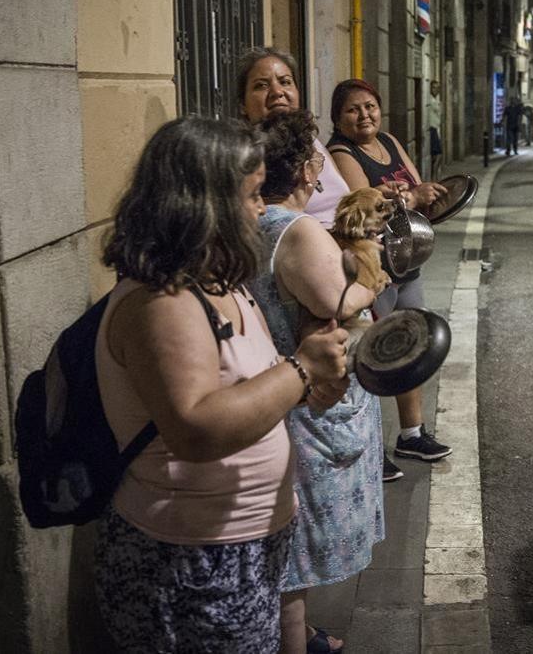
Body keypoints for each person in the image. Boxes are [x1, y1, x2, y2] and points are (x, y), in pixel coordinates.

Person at [93, 117, 350, 653]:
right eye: (253, 195)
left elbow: (245, 385)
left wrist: (305, 383)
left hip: (238, 550)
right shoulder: (161, 302)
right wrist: (300, 371)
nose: (263, 209)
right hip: (191, 563)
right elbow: (195, 427)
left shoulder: (216, 282)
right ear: (202, 202)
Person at [253, 109, 386, 654]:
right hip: (309, 405)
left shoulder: (257, 222)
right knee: (295, 549)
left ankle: (300, 636)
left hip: (282, 393)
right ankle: (294, 644)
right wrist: (375, 278)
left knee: (288, 541)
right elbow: (338, 302)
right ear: (310, 169)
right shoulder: (297, 231)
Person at [327, 78, 454, 475]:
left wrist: (425, 194)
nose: (364, 115)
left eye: (370, 106)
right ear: (337, 118)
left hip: (406, 260)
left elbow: (413, 186)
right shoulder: (340, 152)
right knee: (368, 355)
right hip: (373, 267)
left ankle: (412, 434)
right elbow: (363, 205)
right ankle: (370, 447)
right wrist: (407, 198)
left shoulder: (390, 141)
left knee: (408, 347)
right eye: (353, 109)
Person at [236, 46, 351, 230]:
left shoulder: (311, 141)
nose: (277, 91)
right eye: (262, 85)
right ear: (243, 104)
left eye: (285, 82)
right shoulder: (244, 155)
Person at [428, 79, 444, 178]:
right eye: (434, 87)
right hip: (432, 128)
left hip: (436, 128)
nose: (436, 90)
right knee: (438, 154)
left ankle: (434, 176)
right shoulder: (430, 100)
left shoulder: (436, 99)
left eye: (438, 88)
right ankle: (434, 177)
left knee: (436, 155)